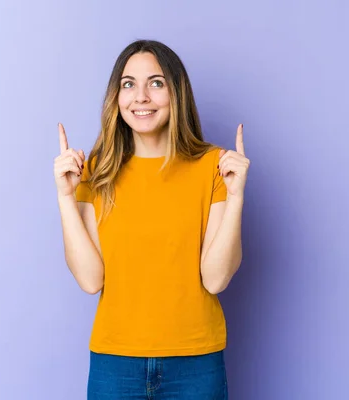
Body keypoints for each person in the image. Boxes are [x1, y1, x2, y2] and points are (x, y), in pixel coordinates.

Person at [53, 39, 250, 399]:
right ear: (116, 97)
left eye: (156, 83)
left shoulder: (214, 167)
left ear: (177, 93)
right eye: (129, 84)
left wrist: (235, 197)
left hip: (195, 361)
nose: (140, 96)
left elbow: (217, 278)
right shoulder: (96, 170)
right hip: (115, 363)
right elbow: (90, 280)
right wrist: (66, 198)